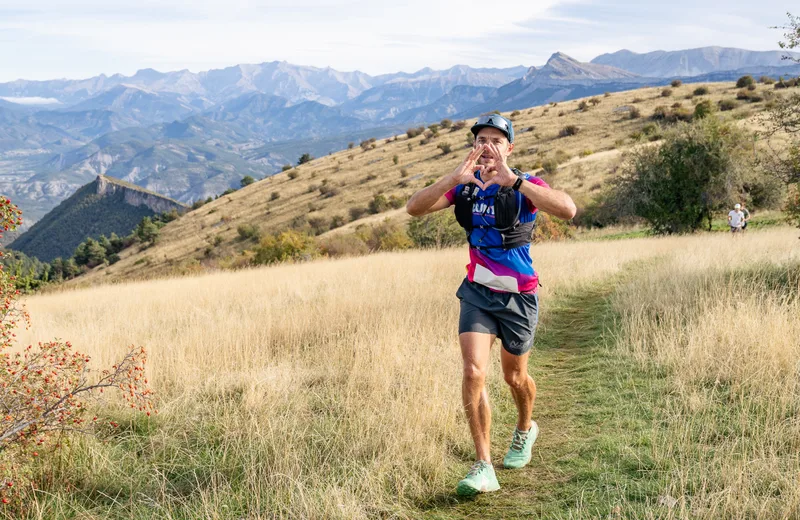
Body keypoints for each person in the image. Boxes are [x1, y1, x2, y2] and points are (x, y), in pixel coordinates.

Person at [405, 114, 576, 496]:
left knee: (514, 377)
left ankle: (525, 428)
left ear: (509, 148)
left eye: (496, 141)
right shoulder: (464, 189)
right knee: (472, 371)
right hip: (477, 292)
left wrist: (515, 181)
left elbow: (567, 210)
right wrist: (453, 178)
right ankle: (483, 465)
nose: (487, 146)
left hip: (519, 295)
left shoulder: (524, 185)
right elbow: (413, 208)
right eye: (481, 139)